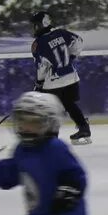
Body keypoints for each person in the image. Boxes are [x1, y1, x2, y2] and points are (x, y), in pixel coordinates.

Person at [31, 11, 92, 145]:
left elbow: (42, 66)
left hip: (54, 83)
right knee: (70, 104)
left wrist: (39, 82)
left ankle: (52, 138)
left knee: (52, 110)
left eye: (36, 25)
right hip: (72, 77)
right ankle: (83, 128)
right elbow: (78, 42)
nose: (34, 28)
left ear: (43, 24)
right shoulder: (62, 33)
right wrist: (71, 58)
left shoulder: (38, 43)